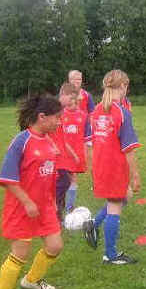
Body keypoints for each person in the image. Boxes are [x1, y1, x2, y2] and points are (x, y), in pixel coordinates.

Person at [0, 95, 64, 289]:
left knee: (55, 246)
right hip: (22, 207)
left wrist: (52, 201)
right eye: (57, 117)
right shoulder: (21, 141)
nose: (59, 122)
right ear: (42, 117)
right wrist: (27, 202)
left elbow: (50, 176)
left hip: (45, 207)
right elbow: (8, 178)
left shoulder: (50, 141)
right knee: (20, 253)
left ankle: (32, 280)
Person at [83, 69, 141, 265]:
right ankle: (111, 254)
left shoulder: (96, 111)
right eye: (127, 86)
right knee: (116, 205)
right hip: (114, 167)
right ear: (123, 86)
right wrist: (135, 175)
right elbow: (129, 149)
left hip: (101, 165)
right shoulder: (122, 113)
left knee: (124, 197)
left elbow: (92, 142)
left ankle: (93, 224)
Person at [57, 83, 91, 214]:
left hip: (75, 153)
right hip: (60, 153)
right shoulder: (59, 114)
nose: (71, 101)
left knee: (71, 178)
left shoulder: (83, 116)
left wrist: (85, 154)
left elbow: (87, 138)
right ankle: (58, 207)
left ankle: (68, 208)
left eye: (73, 98)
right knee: (60, 180)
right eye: (69, 98)